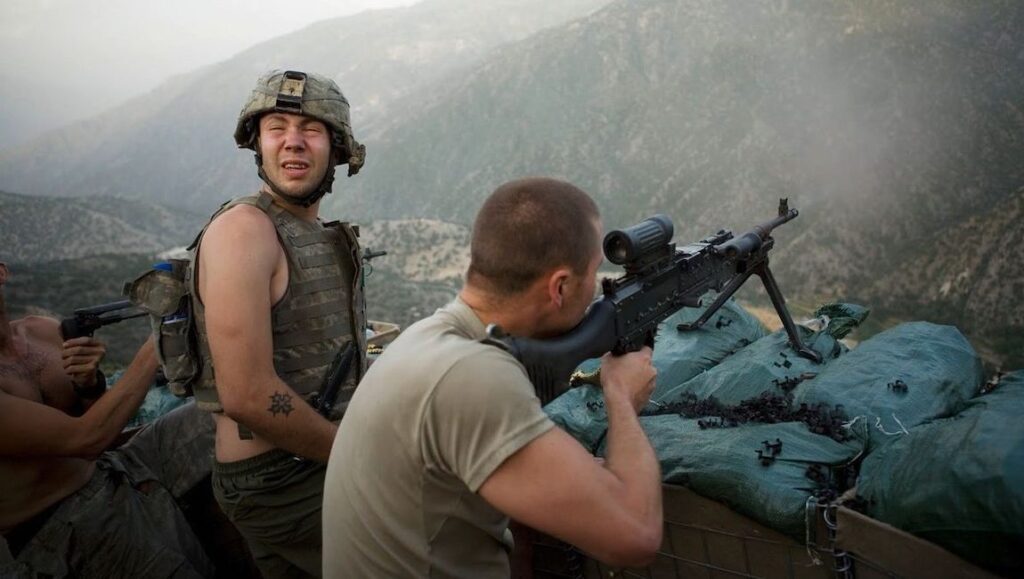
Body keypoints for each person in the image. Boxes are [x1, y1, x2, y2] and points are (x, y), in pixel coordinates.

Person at [323, 178, 663, 578]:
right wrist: (621, 395)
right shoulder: (472, 377)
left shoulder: (430, 336)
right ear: (559, 287)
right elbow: (636, 536)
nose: (596, 292)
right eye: (594, 276)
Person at [192, 69, 368, 578]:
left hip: (305, 462)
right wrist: (360, 455)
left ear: (337, 149)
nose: (293, 141)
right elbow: (247, 395)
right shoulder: (245, 231)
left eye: (311, 129)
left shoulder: (309, 232)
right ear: (258, 144)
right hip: (281, 479)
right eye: (277, 128)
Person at [0, 261, 215, 578]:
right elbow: (86, 438)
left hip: (114, 466)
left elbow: (100, 427)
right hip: (62, 524)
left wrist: (90, 385)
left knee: (220, 415)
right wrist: (158, 341)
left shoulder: (42, 331)